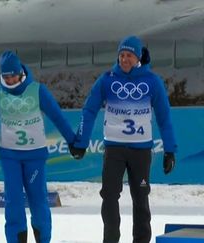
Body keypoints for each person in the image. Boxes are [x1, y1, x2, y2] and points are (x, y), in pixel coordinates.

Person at [71, 36, 177, 243]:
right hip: (114, 150)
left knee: (140, 198)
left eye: (129, 55)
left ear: (138, 57)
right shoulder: (108, 79)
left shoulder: (152, 82)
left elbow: (164, 118)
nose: (124, 59)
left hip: (141, 151)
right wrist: (81, 142)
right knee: (109, 196)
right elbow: (89, 110)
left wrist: (170, 150)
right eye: (121, 55)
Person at [0, 51, 76, 243]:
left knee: (38, 201)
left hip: (34, 156)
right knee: (13, 201)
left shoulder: (37, 90)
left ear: (21, 73)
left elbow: (57, 117)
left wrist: (73, 141)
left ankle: (43, 239)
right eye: (5, 76)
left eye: (13, 75)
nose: (9, 80)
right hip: (10, 156)